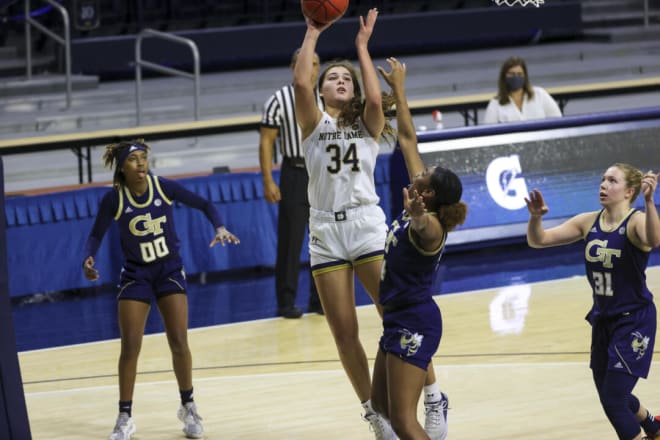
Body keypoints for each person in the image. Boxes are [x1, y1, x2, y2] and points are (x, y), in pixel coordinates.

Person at [294, 9, 445, 439]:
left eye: (347, 79)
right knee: (344, 333)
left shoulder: (368, 125)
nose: (340, 81)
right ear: (323, 92)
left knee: (398, 315)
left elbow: (378, 100)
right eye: (333, 78)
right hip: (324, 232)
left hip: (364, 225)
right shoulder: (312, 124)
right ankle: (373, 414)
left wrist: (361, 47)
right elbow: (301, 82)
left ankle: (433, 394)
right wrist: (312, 32)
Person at [82, 139, 240, 440]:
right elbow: (95, 235)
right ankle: (125, 416)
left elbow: (205, 204)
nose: (141, 163)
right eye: (133, 159)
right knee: (130, 346)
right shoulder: (114, 199)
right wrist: (87, 257)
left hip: (168, 269)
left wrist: (219, 227)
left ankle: (188, 406)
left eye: (143, 158)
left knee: (179, 341)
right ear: (122, 167)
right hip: (136, 274)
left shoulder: (162, 186)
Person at [525, 164, 660, 440]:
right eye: (603, 179)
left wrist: (649, 202)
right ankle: (653, 424)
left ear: (629, 191)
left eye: (612, 181)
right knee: (610, 392)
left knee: (613, 398)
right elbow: (538, 241)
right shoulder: (588, 221)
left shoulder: (635, 221)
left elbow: (654, 239)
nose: (603, 185)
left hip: (634, 320)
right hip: (603, 320)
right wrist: (536, 218)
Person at [371, 56, 467, 440]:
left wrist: (415, 216)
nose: (421, 170)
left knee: (405, 422)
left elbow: (424, 229)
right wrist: (400, 91)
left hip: (415, 321)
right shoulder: (423, 197)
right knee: (380, 407)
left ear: (428, 194)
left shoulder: (432, 227)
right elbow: (408, 139)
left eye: (425, 175)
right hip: (397, 317)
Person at [259, 47, 323, 319]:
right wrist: (267, 180)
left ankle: (320, 300)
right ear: (293, 67)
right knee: (291, 241)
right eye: (305, 62)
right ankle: (286, 302)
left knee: (323, 239)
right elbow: (266, 142)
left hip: (322, 173)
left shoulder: (328, 98)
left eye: (316, 63)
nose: (312, 67)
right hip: (294, 172)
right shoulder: (278, 99)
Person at [484, 56, 562, 124]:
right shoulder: (495, 103)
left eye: (519, 74)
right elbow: (488, 132)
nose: (516, 77)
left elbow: (558, 120)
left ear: (525, 76)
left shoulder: (540, 94)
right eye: (511, 74)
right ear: (504, 77)